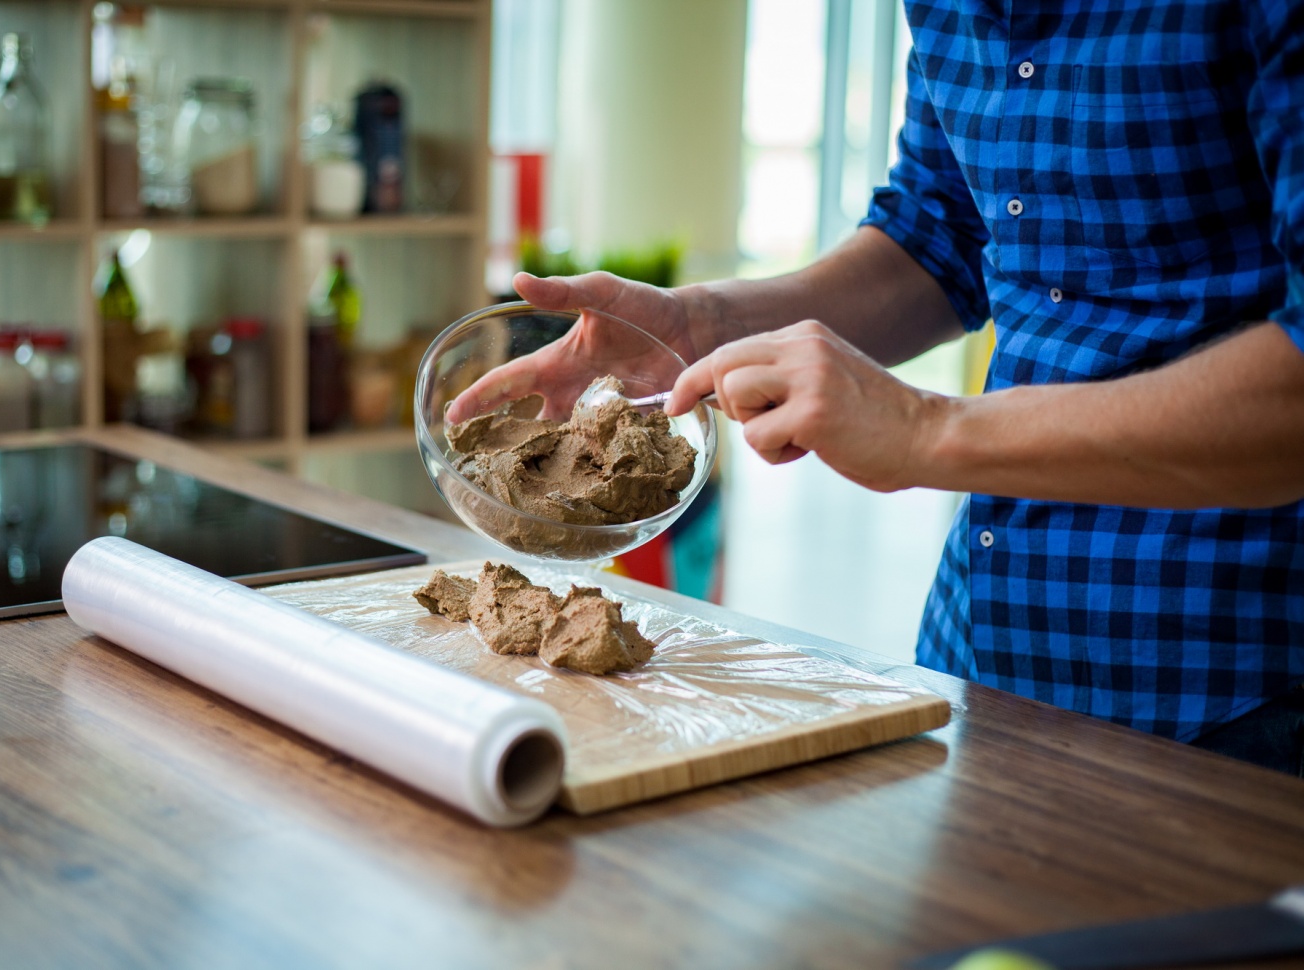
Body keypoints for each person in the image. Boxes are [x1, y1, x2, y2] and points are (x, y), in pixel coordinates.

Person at [453, 2, 1304, 775]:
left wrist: (926, 433)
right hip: (986, 652)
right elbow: (936, 237)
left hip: (1239, 683)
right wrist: (699, 324)